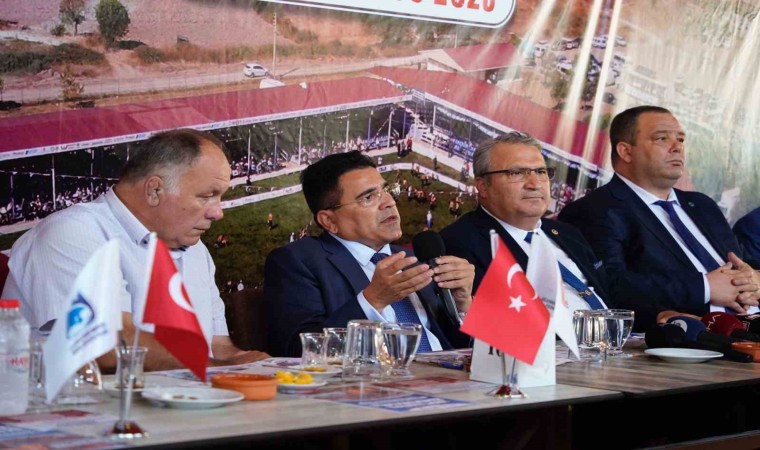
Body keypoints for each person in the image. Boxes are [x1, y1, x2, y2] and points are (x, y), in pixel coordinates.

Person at [2, 129, 270, 371]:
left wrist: (254, 365)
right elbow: (104, 346)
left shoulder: (196, 250)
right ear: (154, 190)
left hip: (176, 403)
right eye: (206, 196)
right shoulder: (73, 232)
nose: (218, 212)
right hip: (78, 405)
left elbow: (218, 346)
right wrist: (215, 368)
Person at [263, 151, 474, 357]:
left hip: (448, 377)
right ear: (329, 220)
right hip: (374, 380)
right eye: (368, 197)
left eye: (386, 190)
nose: (389, 202)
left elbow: (454, 347)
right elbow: (297, 351)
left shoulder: (412, 260)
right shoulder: (298, 262)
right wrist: (372, 301)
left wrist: (462, 305)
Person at [558, 106, 760, 320]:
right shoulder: (594, 210)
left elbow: (741, 261)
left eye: (680, 139)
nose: (677, 147)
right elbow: (609, 285)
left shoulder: (702, 205)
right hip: (696, 331)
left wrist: (755, 278)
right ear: (626, 151)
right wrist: (704, 288)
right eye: (662, 138)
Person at [439, 132, 613, 317]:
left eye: (541, 172)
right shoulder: (460, 243)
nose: (534, 184)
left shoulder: (567, 233)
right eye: (516, 173)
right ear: (483, 186)